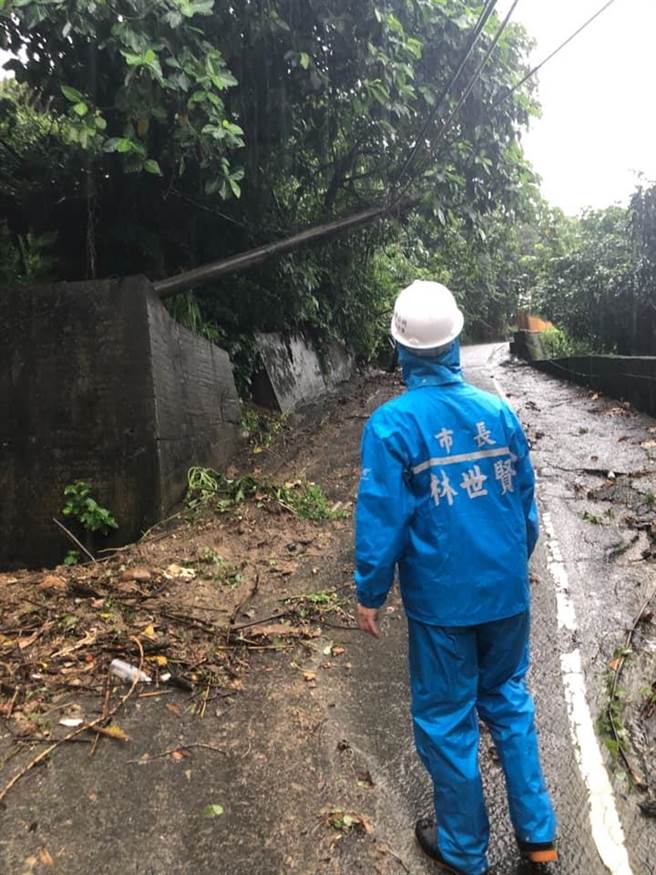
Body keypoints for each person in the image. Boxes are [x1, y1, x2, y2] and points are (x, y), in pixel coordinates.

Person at [354, 280, 557, 875]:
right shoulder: (497, 412)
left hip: (443, 606)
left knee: (447, 720)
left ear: (399, 348)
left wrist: (370, 591)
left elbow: (381, 518)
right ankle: (538, 835)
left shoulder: (392, 426)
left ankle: (465, 851)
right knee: (509, 702)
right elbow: (526, 507)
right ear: (456, 340)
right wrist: (508, 570)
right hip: (505, 593)